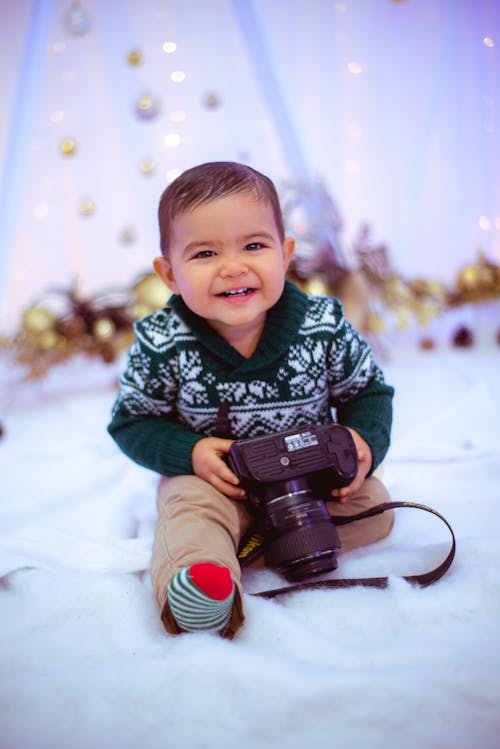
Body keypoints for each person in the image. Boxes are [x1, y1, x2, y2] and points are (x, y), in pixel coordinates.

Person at [108, 161, 394, 639]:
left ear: (285, 255)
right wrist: (190, 453)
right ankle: (200, 585)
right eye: (204, 253)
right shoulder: (164, 342)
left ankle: (250, 545)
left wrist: (363, 440)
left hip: (307, 482)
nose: (233, 266)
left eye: (254, 246)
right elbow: (132, 422)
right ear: (170, 274)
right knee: (188, 512)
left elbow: (368, 391)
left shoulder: (321, 325)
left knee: (377, 507)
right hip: (219, 486)